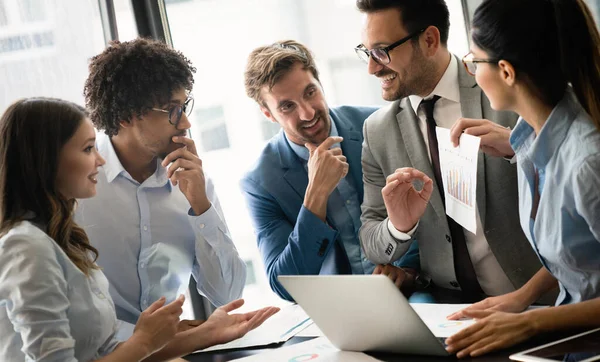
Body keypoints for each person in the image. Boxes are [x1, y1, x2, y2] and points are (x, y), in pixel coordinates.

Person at [79, 38, 277, 347]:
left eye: (184, 106)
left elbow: (228, 294)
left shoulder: (195, 183)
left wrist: (201, 206)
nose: (185, 122)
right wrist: (155, 339)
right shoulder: (78, 186)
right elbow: (67, 312)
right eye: (171, 110)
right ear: (125, 116)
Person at [355, 0, 547, 303]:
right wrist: (399, 227)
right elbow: (371, 242)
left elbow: (574, 179)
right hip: (449, 314)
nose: (371, 67)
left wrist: (517, 146)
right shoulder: (377, 131)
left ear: (429, 40)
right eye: (366, 52)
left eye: (382, 51)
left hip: (535, 301)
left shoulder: (506, 87)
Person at [442, 0, 600, 357]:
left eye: (474, 61)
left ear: (506, 72)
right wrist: (521, 298)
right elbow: (580, 255)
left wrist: (530, 322)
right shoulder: (532, 139)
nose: (471, 71)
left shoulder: (587, 162)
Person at [0, 97, 185, 361]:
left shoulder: (61, 238)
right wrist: (144, 340)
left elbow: (104, 351)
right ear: (46, 159)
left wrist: (209, 333)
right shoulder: (26, 246)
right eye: (88, 149)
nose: (100, 160)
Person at [240, 40, 420, 301]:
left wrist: (409, 269)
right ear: (268, 114)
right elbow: (285, 285)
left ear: (321, 85)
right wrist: (316, 194)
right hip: (340, 310)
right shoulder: (260, 182)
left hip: (414, 292)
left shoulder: (380, 125)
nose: (307, 113)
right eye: (287, 106)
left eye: (310, 92)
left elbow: (430, 210)